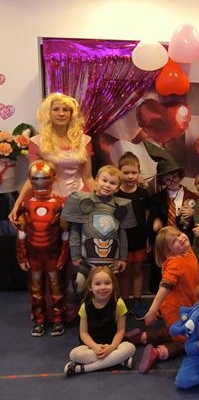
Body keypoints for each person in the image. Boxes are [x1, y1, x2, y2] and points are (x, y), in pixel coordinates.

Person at [9, 93, 95, 223]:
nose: (61, 113)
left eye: (65, 110)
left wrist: (102, 202)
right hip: (48, 199)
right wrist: (17, 205)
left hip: (79, 197)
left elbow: (88, 177)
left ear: (71, 114)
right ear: (48, 113)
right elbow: (33, 179)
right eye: (56, 109)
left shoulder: (84, 140)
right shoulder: (37, 142)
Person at [126, 226, 199, 374]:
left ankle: (142, 337)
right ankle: (158, 352)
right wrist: (153, 310)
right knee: (186, 339)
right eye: (174, 241)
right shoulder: (176, 262)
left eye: (179, 234)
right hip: (177, 311)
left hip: (185, 308)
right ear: (168, 252)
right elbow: (164, 287)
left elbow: (185, 243)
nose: (180, 239)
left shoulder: (187, 252)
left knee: (171, 332)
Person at [61, 165, 136, 295]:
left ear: (118, 188)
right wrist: (75, 255)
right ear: (96, 180)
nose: (107, 185)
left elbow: (122, 234)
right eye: (104, 180)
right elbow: (75, 231)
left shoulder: (120, 206)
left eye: (112, 183)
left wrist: (123, 258)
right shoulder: (82, 202)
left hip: (111, 261)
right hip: (86, 261)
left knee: (110, 291)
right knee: (80, 288)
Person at [16, 160, 69, 337]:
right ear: (30, 179)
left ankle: (58, 320)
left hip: (53, 254)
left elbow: (65, 233)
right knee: (36, 290)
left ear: (52, 178)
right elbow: (21, 233)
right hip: (34, 256)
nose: (40, 181)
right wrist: (22, 256)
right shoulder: (25, 205)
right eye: (36, 178)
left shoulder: (60, 204)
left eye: (45, 177)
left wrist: (63, 254)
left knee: (56, 288)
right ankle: (39, 321)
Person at [144, 140, 197, 293]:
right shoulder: (157, 199)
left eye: (174, 177)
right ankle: (162, 300)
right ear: (162, 181)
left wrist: (194, 214)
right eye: (167, 179)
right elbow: (151, 219)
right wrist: (154, 222)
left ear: (180, 176)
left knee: (183, 274)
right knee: (164, 275)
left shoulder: (191, 197)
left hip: (183, 242)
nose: (172, 181)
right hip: (164, 244)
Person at [64, 266, 136, 377]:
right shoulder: (85, 306)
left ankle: (85, 368)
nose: (103, 287)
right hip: (92, 347)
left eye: (107, 283)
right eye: (97, 284)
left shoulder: (119, 303)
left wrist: (112, 347)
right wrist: (95, 347)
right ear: (90, 287)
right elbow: (83, 333)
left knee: (130, 348)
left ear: (113, 285)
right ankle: (118, 361)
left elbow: (120, 331)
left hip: (114, 344)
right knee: (74, 354)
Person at [116, 151, 152, 320]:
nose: (130, 176)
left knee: (137, 270)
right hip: (122, 241)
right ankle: (125, 301)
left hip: (139, 239)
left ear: (139, 172)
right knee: (123, 272)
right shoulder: (116, 194)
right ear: (119, 172)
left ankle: (137, 301)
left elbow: (147, 215)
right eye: (126, 172)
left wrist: (147, 239)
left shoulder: (143, 193)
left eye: (133, 172)